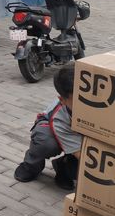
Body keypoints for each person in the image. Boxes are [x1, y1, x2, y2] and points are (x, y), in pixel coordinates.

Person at [14, 62, 81, 191]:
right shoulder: (59, 118)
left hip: (78, 136)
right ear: (62, 100)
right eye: (79, 101)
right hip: (50, 128)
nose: (86, 105)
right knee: (46, 144)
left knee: (76, 170)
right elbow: (82, 156)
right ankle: (31, 165)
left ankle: (63, 167)